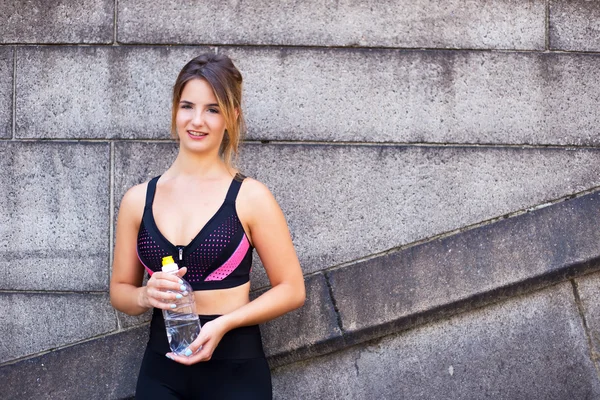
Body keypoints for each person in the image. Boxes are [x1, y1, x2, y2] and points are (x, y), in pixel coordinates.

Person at [109, 53, 306, 399]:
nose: (197, 120)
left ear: (232, 117)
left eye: (212, 109)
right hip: (161, 369)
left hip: (236, 370)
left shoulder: (250, 196)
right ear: (175, 111)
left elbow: (292, 289)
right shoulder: (138, 200)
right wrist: (144, 294)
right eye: (187, 106)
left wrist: (224, 324)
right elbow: (120, 291)